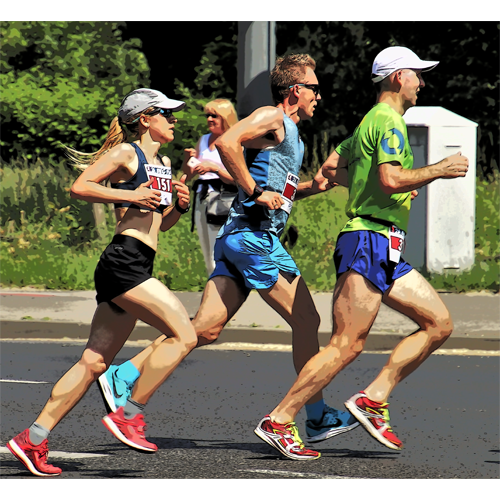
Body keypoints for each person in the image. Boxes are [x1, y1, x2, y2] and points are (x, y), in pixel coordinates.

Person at [97, 54, 359, 458]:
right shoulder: (273, 116)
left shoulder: (292, 134)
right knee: (307, 319)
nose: (319, 97)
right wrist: (253, 191)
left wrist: (311, 187)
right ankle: (304, 415)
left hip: (247, 237)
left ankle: (125, 372)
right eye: (314, 89)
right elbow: (226, 143)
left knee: (206, 328)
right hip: (253, 239)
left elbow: (280, 191)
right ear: (296, 90)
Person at [254, 46, 470, 460]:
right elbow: (390, 179)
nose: (421, 83)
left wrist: (364, 182)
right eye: (416, 75)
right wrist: (438, 169)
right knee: (346, 345)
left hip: (385, 244)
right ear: (396, 78)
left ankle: (374, 398)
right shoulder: (387, 121)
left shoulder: (373, 122)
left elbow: (330, 170)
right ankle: (279, 419)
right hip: (367, 239)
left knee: (439, 324)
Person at [5, 88, 196, 477]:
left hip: (138, 258)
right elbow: (80, 186)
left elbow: (154, 223)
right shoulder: (128, 154)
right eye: (167, 114)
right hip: (123, 262)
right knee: (185, 334)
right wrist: (131, 193)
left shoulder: (161, 161)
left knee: (93, 362)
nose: (174, 120)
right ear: (146, 118)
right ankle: (129, 415)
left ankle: (33, 439)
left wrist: (177, 206)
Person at [183, 99, 239, 276]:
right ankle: (214, 287)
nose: (209, 119)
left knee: (220, 252)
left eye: (214, 115)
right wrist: (188, 160)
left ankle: (223, 291)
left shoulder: (234, 141)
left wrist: (215, 168)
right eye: (207, 115)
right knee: (207, 254)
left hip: (223, 198)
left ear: (226, 117)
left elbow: (239, 178)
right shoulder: (204, 140)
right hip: (202, 197)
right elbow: (189, 174)